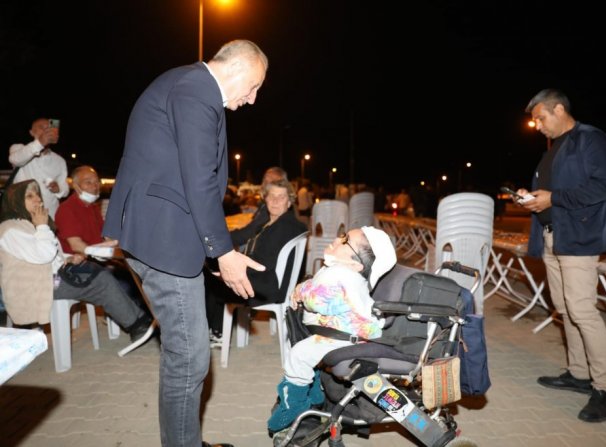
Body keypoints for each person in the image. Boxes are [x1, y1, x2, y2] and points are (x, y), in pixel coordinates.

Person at [102, 39, 268, 447]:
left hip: (162, 235)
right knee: (190, 357)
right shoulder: (196, 88)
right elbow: (199, 179)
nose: (253, 99)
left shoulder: (188, 85)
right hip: (164, 240)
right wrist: (223, 252)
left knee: (186, 354)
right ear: (236, 67)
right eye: (253, 86)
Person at [516, 88, 606, 423]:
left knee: (582, 310)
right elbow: (552, 192)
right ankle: (578, 373)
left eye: (540, 118)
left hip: (579, 237)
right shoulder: (555, 147)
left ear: (559, 109)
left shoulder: (590, 139)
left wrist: (553, 198)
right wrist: (531, 197)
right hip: (553, 236)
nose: (538, 126)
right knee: (564, 308)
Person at [267, 226, 397, 432]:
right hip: (342, 333)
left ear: (356, 264)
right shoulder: (341, 272)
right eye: (343, 235)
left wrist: (301, 289)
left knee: (299, 355)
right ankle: (314, 394)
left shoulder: (343, 275)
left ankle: (294, 405)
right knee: (305, 351)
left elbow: (317, 301)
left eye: (345, 240)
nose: (337, 239)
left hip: (346, 337)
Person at [0, 179, 153, 342]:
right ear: (15, 201)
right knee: (100, 280)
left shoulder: (30, 224)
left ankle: (138, 319)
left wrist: (68, 258)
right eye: (30, 196)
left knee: (96, 271)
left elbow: (50, 255)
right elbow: (44, 255)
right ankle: (137, 325)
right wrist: (42, 226)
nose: (38, 199)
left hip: (51, 277)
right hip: (37, 285)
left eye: (37, 194)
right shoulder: (10, 229)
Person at [206, 178, 307, 342]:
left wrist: (232, 268)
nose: (275, 201)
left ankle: (216, 331)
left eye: (281, 197)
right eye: (271, 196)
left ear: (289, 202)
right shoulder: (272, 223)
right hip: (270, 281)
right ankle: (216, 328)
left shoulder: (285, 226)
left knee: (209, 279)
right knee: (216, 270)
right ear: (265, 199)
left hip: (266, 287)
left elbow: (263, 263)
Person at [54, 165, 147, 312]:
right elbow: (76, 245)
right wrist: (104, 251)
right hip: (78, 265)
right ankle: (137, 318)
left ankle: (143, 315)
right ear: (76, 186)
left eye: (97, 181)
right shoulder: (67, 209)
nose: (95, 186)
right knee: (127, 282)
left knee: (139, 271)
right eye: (88, 182)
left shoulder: (92, 208)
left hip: (99, 260)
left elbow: (105, 237)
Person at [8, 117, 69, 218]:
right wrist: (40, 143)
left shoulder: (60, 160)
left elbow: (65, 189)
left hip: (50, 215)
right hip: (24, 215)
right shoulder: (19, 148)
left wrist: (58, 189)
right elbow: (15, 159)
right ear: (32, 132)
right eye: (42, 128)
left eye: (48, 128)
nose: (46, 131)